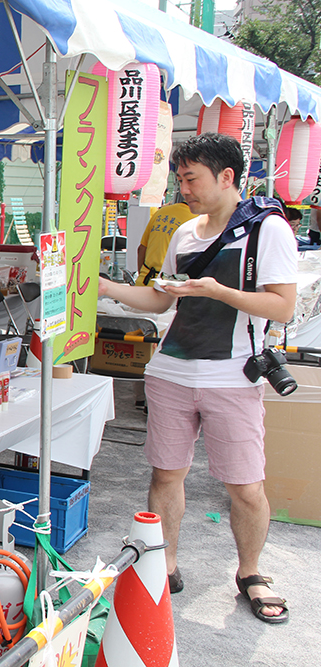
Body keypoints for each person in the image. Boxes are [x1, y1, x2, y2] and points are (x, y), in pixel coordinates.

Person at [99, 133, 296, 624]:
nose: (183, 188)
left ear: (227, 177)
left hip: (232, 377)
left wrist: (219, 291)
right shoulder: (185, 232)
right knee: (166, 473)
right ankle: (165, 562)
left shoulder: (267, 229)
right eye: (180, 178)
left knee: (245, 485)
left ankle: (250, 572)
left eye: (192, 178)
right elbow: (163, 300)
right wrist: (105, 287)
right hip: (169, 372)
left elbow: (283, 305)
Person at [136, 197, 196, 286]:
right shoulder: (198, 220)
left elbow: (141, 248)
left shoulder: (161, 212)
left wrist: (142, 274)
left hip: (144, 281)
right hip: (168, 286)